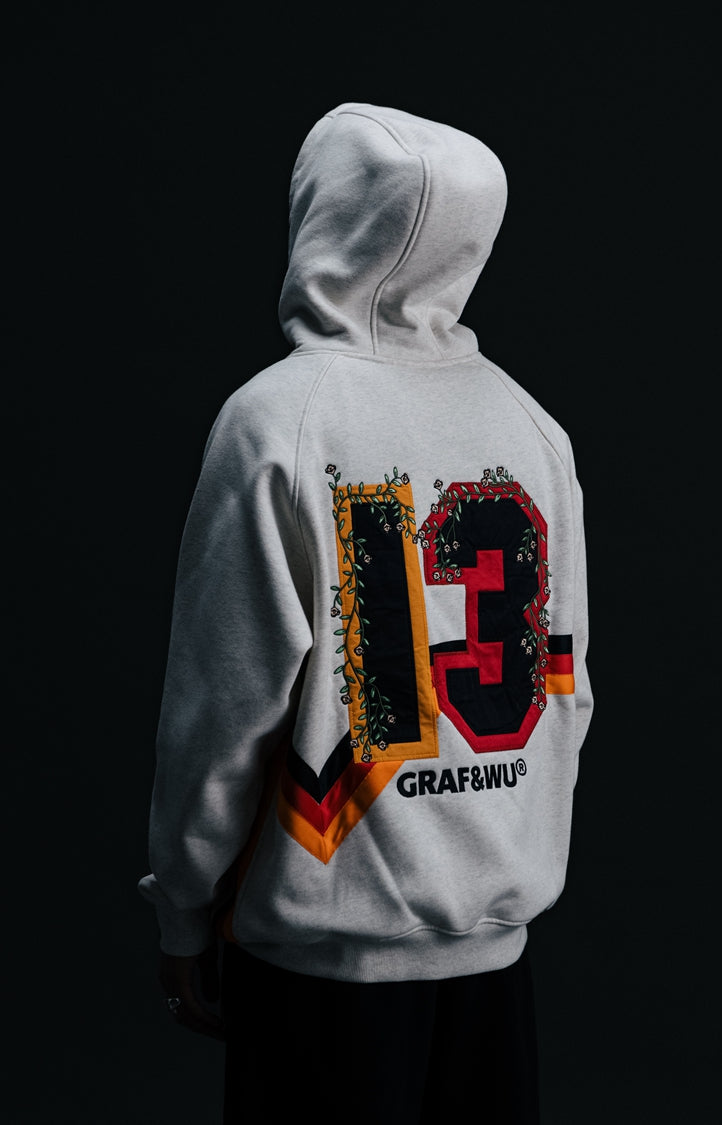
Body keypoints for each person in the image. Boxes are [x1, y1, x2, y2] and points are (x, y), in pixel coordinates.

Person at [139, 102, 594, 1124]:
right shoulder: (534, 426)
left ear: (323, 213)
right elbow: (567, 690)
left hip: (321, 970)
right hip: (496, 959)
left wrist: (183, 906)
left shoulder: (277, 421)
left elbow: (222, 708)